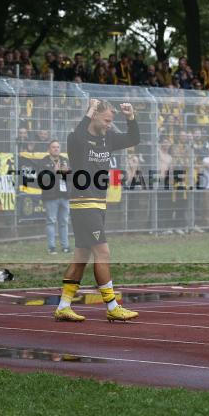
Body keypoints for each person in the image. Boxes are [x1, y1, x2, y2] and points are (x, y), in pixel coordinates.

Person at [54, 99, 140, 323]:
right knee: (103, 253)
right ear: (93, 116)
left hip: (98, 204)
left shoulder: (108, 137)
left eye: (112, 120)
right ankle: (112, 306)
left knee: (81, 255)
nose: (110, 125)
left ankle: (63, 306)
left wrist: (130, 117)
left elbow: (134, 139)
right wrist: (89, 109)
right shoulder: (79, 139)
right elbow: (76, 135)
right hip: (84, 204)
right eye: (107, 120)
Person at [39, 140, 70, 254]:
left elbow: (72, 178)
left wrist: (67, 173)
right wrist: (54, 172)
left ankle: (65, 246)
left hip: (64, 195)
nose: (56, 149)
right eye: (53, 147)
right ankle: (51, 247)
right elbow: (41, 179)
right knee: (51, 221)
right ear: (49, 149)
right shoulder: (43, 162)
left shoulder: (65, 160)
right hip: (51, 196)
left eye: (57, 147)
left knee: (64, 222)